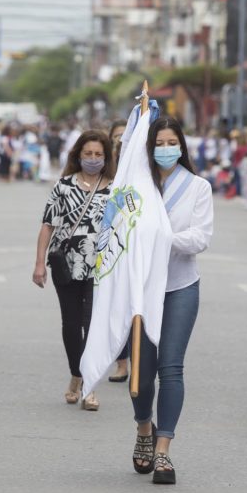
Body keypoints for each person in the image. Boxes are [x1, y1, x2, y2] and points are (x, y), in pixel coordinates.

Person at [129, 115, 213, 484]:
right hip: (141, 291)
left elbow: (200, 237)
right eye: (159, 144)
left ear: (181, 145)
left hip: (180, 285)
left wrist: (162, 238)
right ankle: (144, 428)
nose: (165, 149)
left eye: (171, 143)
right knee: (142, 373)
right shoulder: (137, 186)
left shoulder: (198, 187)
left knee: (171, 368)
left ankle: (163, 452)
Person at [32, 129, 115, 411]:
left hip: (101, 268)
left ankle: (90, 386)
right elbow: (47, 225)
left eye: (98, 155)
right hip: (65, 265)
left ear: (106, 157)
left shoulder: (116, 188)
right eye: (88, 154)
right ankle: (76, 375)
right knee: (71, 325)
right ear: (78, 155)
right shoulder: (64, 186)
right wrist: (39, 263)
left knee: (92, 325)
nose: (93, 159)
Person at [108, 118, 130, 383]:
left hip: (133, 240)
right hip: (111, 242)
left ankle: (139, 358)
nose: (121, 140)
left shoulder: (141, 163)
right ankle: (121, 362)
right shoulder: (107, 165)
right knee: (117, 306)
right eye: (117, 136)